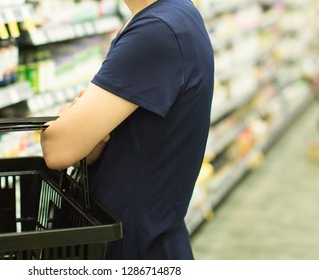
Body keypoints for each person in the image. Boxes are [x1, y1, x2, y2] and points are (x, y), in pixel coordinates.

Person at [40, 0, 214, 260]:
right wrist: (91, 141)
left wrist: (67, 119)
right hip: (146, 237)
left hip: (131, 248)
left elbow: (57, 149)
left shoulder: (158, 30)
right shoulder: (172, 15)